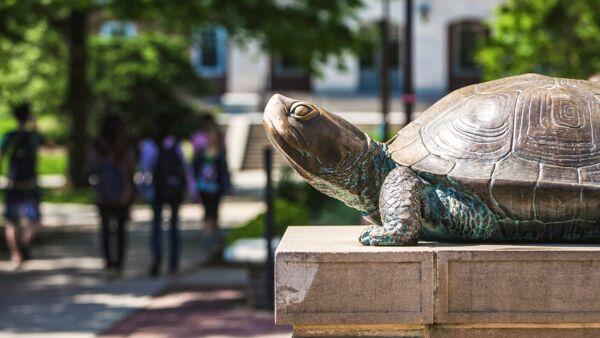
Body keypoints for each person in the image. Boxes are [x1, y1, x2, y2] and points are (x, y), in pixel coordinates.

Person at [85, 114, 135, 276]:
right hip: (121, 191)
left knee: (106, 230)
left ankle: (109, 262)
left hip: (103, 192)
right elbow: (130, 169)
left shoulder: (97, 145)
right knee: (120, 230)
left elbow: (91, 169)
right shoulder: (125, 145)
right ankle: (118, 263)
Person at [0, 103, 44, 267]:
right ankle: (24, 243)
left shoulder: (8, 136)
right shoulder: (34, 136)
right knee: (35, 220)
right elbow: (49, 144)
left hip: (13, 183)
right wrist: (35, 125)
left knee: (11, 222)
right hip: (29, 184)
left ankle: (15, 255)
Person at [191, 115, 230, 236]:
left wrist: (227, 185)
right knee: (208, 210)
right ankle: (208, 233)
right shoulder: (202, 152)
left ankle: (212, 232)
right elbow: (195, 168)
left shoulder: (219, 154)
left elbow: (224, 170)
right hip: (204, 186)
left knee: (215, 210)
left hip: (216, 186)